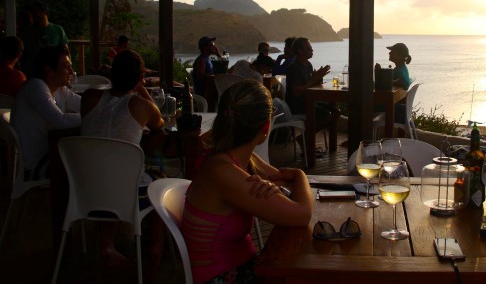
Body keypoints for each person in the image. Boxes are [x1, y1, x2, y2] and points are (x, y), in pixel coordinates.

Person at [184, 79, 313, 283]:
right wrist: (300, 175)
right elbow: (302, 214)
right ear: (266, 126)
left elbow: (281, 182)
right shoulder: (223, 171)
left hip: (245, 266)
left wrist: (278, 186)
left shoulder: (238, 158)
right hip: (224, 276)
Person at [81, 49, 164, 268]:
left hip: (85, 186)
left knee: (109, 169)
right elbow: (160, 123)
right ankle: (157, 245)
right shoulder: (142, 106)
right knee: (159, 182)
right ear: (139, 78)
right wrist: (141, 88)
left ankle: (105, 244)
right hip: (124, 193)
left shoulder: (89, 97)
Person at [11, 45, 80, 180]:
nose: (71, 71)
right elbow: (61, 121)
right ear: (49, 70)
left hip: (52, 155)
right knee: (87, 165)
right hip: (37, 166)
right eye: (66, 67)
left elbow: (87, 106)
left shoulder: (60, 89)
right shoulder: (35, 87)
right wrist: (93, 117)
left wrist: (101, 109)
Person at [285, 37, 339, 147]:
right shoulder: (293, 68)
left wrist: (319, 78)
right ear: (300, 51)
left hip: (308, 101)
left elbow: (311, 85)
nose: (312, 51)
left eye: (311, 48)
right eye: (309, 49)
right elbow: (297, 92)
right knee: (328, 115)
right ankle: (305, 138)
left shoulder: (308, 65)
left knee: (335, 112)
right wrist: (314, 78)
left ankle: (304, 137)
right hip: (297, 105)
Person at [19, 2, 69, 77]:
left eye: (35, 13)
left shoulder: (58, 30)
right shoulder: (27, 31)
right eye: (32, 13)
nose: (33, 16)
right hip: (32, 73)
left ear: (44, 12)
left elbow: (65, 51)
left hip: (53, 72)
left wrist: (68, 67)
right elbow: (22, 54)